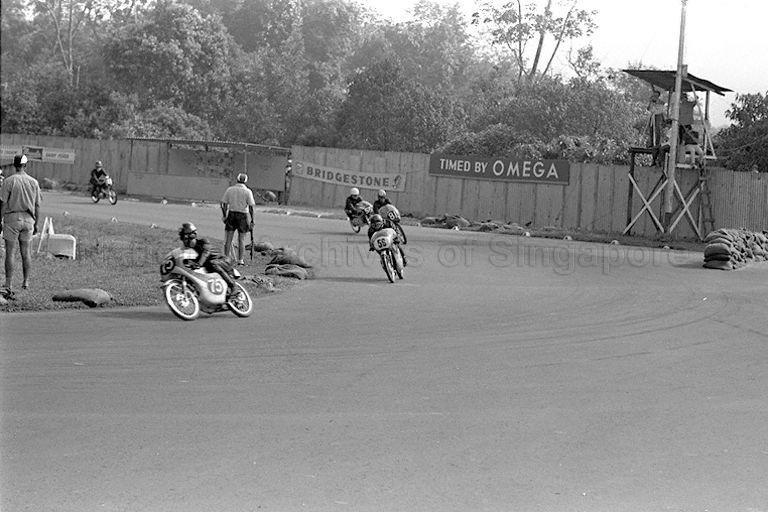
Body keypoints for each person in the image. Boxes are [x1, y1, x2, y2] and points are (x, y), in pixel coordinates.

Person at [0, 154, 42, 299]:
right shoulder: (34, 182)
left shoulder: (9, 181)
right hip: (29, 219)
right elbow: (37, 205)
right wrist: (36, 223)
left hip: (12, 219)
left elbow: (3, 203)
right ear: (25, 165)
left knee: (10, 252)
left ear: (14, 165)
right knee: (26, 252)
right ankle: (26, 281)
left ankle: (8, 283)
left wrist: (0, 220)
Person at [178, 222, 238, 300]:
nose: (185, 242)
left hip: (223, 260)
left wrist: (199, 264)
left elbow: (205, 253)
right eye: (184, 239)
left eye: (187, 239)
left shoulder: (203, 242)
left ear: (193, 236)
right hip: (210, 266)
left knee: (213, 263)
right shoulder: (191, 250)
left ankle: (233, 286)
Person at [220, 173, 255, 265]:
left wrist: (224, 215)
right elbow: (251, 207)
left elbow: (223, 204)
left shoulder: (230, 190)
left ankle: (226, 258)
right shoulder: (248, 191)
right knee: (241, 239)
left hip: (231, 214)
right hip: (243, 215)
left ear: (237, 180)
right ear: (245, 181)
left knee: (229, 238)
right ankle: (240, 260)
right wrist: (252, 220)